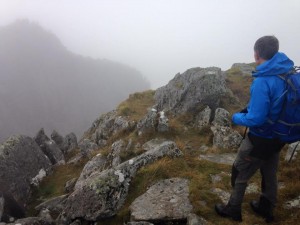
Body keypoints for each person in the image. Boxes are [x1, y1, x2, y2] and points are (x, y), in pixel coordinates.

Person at [215, 35, 294, 222]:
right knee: (269, 171)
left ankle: (233, 209)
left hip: (260, 138)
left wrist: (236, 117)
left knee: (240, 171)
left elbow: (257, 119)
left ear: (257, 54)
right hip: (279, 136)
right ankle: (266, 208)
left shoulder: (263, 80)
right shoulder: (287, 71)